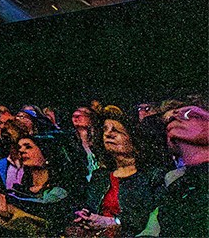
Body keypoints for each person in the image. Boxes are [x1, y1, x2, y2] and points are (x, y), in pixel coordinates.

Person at [76, 107, 164, 236]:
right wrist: (85, 215)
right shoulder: (100, 176)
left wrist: (114, 222)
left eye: (117, 131)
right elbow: (91, 207)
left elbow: (151, 219)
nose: (108, 134)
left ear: (135, 140)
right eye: (105, 130)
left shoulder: (153, 176)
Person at [141, 97, 208, 237]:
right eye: (168, 122)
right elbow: (151, 231)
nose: (174, 118)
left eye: (188, 114)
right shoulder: (173, 182)